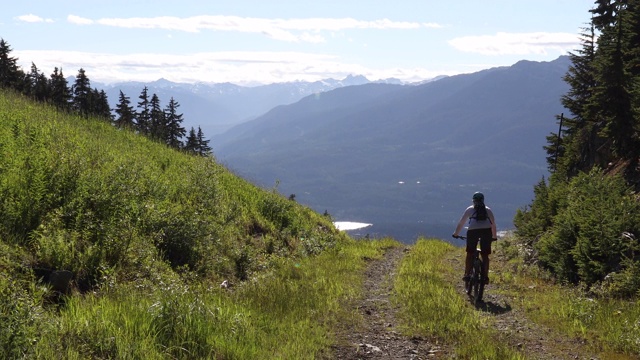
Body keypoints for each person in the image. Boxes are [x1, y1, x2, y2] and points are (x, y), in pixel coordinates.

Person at [452, 191, 497, 284]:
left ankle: (467, 274)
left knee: (470, 253)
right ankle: (485, 277)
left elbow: (461, 222)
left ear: (473, 201)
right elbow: (493, 225)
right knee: (485, 255)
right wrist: (494, 236)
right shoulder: (488, 210)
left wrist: (456, 233)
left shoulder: (469, 209)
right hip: (486, 232)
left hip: (473, 232)